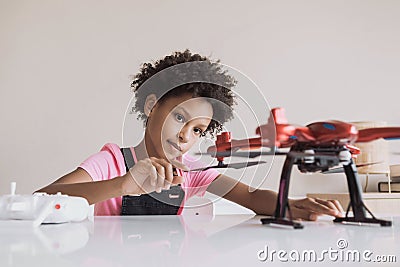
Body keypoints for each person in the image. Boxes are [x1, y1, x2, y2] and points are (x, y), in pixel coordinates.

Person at [36, 50, 344, 219]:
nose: (185, 135)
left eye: (197, 129)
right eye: (179, 117)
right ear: (152, 106)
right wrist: (123, 185)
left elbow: (251, 197)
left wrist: (291, 205)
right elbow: (42, 199)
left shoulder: (191, 171)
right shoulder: (112, 162)